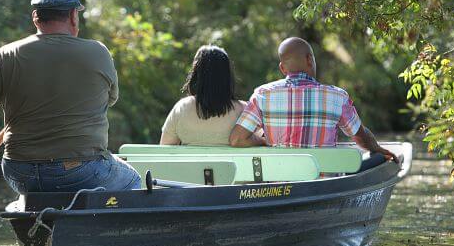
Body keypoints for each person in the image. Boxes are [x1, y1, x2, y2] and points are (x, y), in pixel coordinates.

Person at [0, 0, 141, 195]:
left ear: (35, 18)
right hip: (80, 171)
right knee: (133, 180)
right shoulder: (98, 52)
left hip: (20, 173)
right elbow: (110, 99)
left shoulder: (6, 55)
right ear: (73, 16)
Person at [229, 37, 398, 169]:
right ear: (310, 60)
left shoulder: (262, 95)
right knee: (377, 158)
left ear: (282, 68)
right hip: (326, 182)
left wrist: (264, 141)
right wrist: (376, 148)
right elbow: (360, 136)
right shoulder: (337, 96)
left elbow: (237, 139)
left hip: (279, 180)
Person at [161, 45, 245, 146]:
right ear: (227, 76)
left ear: (196, 74)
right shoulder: (243, 111)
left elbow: (165, 149)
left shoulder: (182, 108)